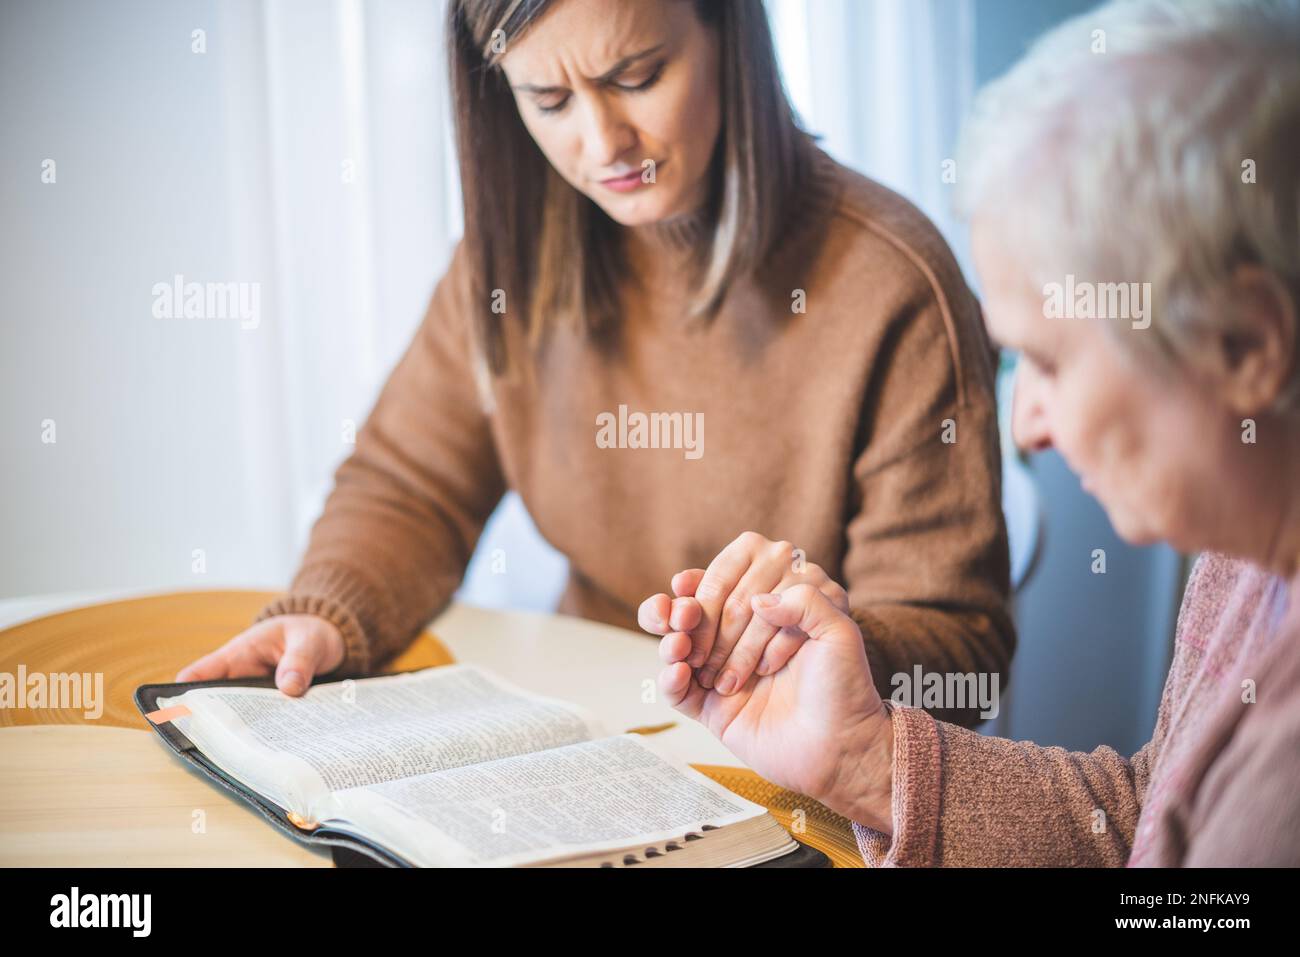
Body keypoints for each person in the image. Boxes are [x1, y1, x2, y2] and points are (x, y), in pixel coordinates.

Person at [178, 0, 1013, 728]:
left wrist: (825, 640)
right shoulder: (508, 264)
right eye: (548, 99)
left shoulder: (892, 284)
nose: (603, 143)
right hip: (587, 735)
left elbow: (963, 656)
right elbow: (410, 486)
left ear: (728, 28)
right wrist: (328, 612)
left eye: (637, 76)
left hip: (796, 769)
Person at [653, 0, 1300, 866]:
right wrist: (863, 761)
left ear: (1248, 343)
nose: (1025, 425)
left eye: (1049, 361)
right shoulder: (1250, 552)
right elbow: (1151, 820)